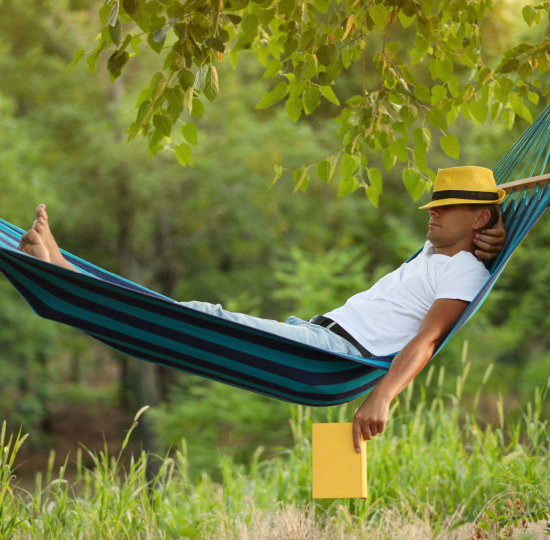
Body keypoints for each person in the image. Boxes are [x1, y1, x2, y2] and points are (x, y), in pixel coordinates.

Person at [17, 165, 507, 453]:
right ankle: (67, 274)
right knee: (188, 321)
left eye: (447, 209)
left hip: (332, 357)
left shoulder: (463, 271)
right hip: (315, 335)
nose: (433, 214)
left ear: (479, 216)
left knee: (203, 318)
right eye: (434, 206)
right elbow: (474, 223)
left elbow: (428, 340)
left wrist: (382, 397)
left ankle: (67, 278)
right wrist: (490, 230)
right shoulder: (435, 252)